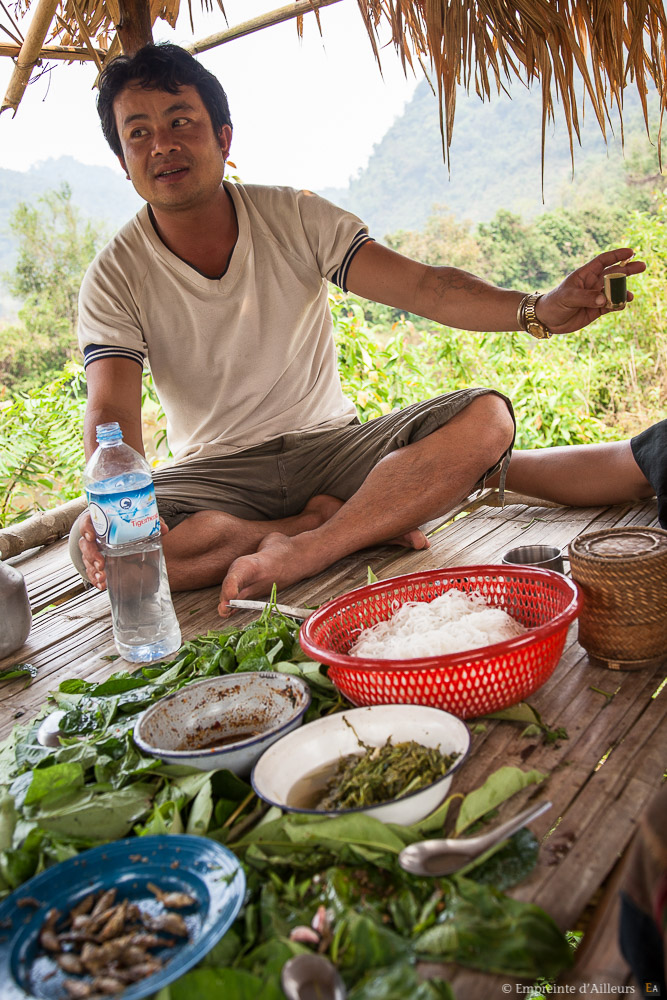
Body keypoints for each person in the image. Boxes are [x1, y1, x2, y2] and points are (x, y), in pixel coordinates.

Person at [72, 42, 656, 616]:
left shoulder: (293, 216)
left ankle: (311, 547)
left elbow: (426, 288)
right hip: (216, 472)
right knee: (94, 544)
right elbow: (111, 419)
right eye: (139, 133)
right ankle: (317, 523)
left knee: (487, 419)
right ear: (124, 162)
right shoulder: (115, 273)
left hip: (333, 449)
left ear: (223, 137)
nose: (163, 145)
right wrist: (116, 522)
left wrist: (538, 309)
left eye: (181, 121)